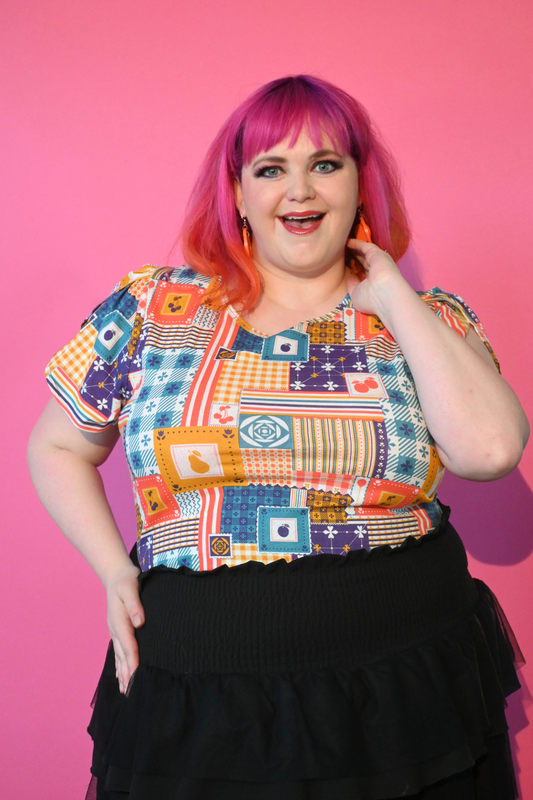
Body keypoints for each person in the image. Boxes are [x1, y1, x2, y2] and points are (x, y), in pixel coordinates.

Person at [28, 75, 529, 800]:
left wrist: (387, 291)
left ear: (360, 183)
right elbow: (57, 446)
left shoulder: (428, 318)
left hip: (403, 684)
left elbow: (489, 452)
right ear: (236, 191)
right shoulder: (153, 307)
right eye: (271, 169)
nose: (300, 190)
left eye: (326, 165)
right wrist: (114, 572)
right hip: (197, 690)